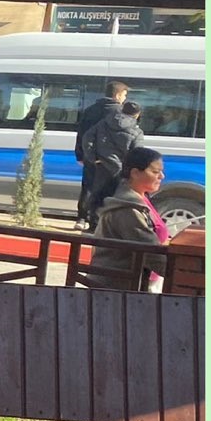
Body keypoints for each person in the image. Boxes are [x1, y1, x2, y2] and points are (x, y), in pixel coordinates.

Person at [88, 146, 171, 291]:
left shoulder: (141, 197)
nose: (162, 176)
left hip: (138, 281)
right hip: (116, 288)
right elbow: (150, 251)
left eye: (161, 171)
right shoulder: (127, 208)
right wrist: (181, 272)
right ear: (135, 173)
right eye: (155, 172)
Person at [80, 93, 146, 225]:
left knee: (98, 195)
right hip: (121, 169)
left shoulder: (104, 123)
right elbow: (137, 153)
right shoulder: (136, 131)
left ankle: (94, 224)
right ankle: (109, 225)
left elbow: (87, 139)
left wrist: (93, 158)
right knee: (117, 198)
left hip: (102, 165)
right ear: (137, 114)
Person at [74, 79, 129, 226]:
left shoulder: (90, 110)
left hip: (90, 155)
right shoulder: (120, 113)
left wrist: (80, 154)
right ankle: (98, 220)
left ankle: (81, 218)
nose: (124, 99)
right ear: (117, 95)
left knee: (87, 187)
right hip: (110, 158)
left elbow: (81, 134)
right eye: (124, 95)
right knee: (105, 189)